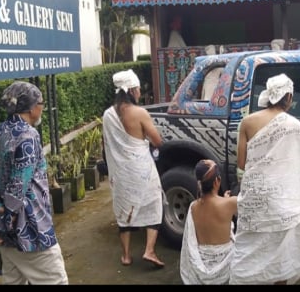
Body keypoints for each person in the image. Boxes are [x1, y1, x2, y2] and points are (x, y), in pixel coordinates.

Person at [229, 73, 300, 285]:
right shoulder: (296, 127)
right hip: (283, 202)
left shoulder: (247, 122)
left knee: (252, 249)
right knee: (281, 256)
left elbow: (241, 164)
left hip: (255, 198)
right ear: (289, 97)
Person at [0, 81, 68, 285]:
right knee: (56, 281)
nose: (42, 106)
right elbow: (18, 187)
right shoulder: (28, 136)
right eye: (41, 102)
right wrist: (7, 223)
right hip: (31, 231)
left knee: (13, 281)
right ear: (32, 107)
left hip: (6, 235)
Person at [102, 69, 166, 268]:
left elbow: (107, 145)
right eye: (138, 89)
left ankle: (127, 256)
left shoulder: (107, 115)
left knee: (123, 212)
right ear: (130, 90)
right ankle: (149, 250)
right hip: (142, 170)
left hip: (120, 173)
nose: (140, 92)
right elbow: (157, 140)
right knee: (154, 204)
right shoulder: (140, 113)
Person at [179, 159, 238, 284]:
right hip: (226, 262)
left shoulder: (193, 206)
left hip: (201, 260)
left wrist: (223, 200)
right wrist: (226, 200)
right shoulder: (230, 203)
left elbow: (212, 206)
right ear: (217, 181)